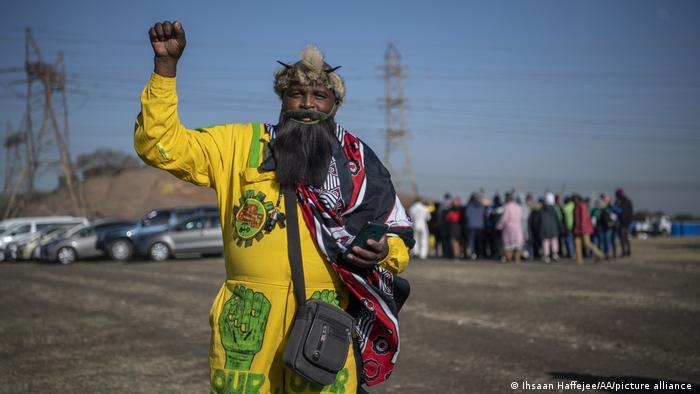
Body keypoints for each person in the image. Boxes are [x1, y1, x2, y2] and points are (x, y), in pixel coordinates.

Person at [135, 21, 414, 393]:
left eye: (320, 96)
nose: (308, 104)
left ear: (335, 105)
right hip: (246, 320)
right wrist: (165, 69)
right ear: (282, 98)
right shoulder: (238, 144)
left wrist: (384, 250)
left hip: (326, 317)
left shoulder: (358, 162)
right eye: (297, 93)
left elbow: (395, 230)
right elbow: (160, 145)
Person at [572, 194, 604, 264]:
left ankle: (599, 254)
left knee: (587, 243)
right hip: (578, 228)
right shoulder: (577, 206)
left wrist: (582, 227)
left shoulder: (582, 206)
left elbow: (583, 217)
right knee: (577, 243)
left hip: (584, 228)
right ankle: (579, 260)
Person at [496, 192, 523, 262]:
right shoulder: (518, 207)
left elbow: (504, 218)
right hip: (518, 227)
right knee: (518, 244)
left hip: (508, 227)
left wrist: (499, 226)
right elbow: (521, 217)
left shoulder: (506, 207)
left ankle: (509, 258)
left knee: (507, 244)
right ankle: (517, 259)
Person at [539, 193, 561, 263]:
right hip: (553, 228)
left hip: (544, 228)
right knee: (554, 241)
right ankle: (555, 255)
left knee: (546, 242)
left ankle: (546, 257)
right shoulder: (555, 209)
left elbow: (539, 219)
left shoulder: (542, 209)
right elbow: (558, 219)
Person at [464, 193, 485, 259]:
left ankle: (473, 254)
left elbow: (466, 215)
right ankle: (480, 254)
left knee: (471, 241)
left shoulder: (469, 206)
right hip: (480, 226)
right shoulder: (481, 206)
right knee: (479, 241)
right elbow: (484, 214)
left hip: (471, 226)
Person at [614, 188, 634, 257]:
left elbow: (620, 211)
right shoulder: (628, 201)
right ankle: (628, 251)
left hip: (623, 223)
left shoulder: (622, 202)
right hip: (627, 222)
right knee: (625, 237)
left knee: (622, 237)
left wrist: (615, 207)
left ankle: (625, 252)